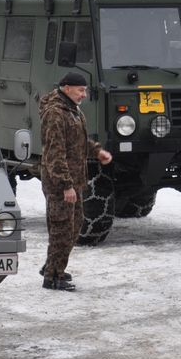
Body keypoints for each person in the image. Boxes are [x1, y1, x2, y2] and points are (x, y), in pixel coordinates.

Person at [39, 72, 112, 291]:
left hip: (74, 180)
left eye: (85, 90)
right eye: (81, 90)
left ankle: (53, 266)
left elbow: (77, 141)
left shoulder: (72, 110)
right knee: (62, 227)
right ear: (66, 87)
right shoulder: (55, 113)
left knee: (74, 225)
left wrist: (97, 151)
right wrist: (65, 186)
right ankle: (53, 277)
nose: (84, 94)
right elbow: (55, 153)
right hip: (60, 183)